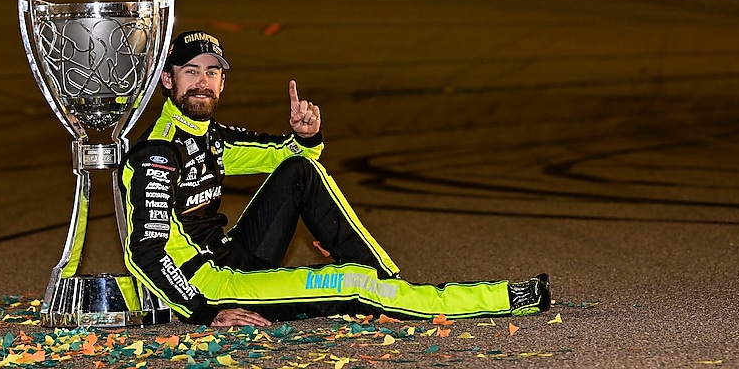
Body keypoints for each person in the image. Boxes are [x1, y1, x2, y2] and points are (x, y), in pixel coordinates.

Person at [120, 30, 550, 327]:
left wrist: (305, 136)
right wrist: (205, 311)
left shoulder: (211, 135)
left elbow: (288, 157)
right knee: (353, 284)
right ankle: (498, 298)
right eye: (191, 71)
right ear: (167, 79)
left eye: (211, 72)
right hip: (210, 285)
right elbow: (145, 250)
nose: (202, 81)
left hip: (232, 258)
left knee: (300, 169)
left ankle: (386, 280)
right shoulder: (158, 152)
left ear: (223, 83)